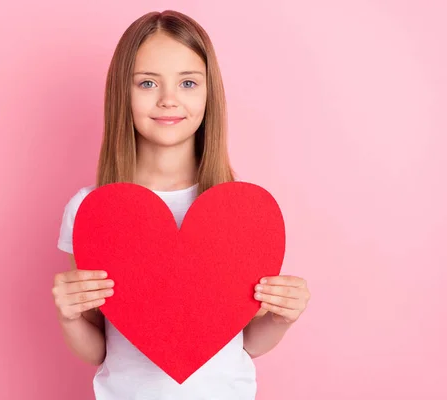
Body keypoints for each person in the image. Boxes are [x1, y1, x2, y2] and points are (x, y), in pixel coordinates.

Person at [51, 10, 311, 400]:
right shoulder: (91, 211)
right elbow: (100, 349)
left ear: (209, 93)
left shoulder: (241, 213)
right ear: (123, 92)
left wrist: (280, 317)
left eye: (188, 82)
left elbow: (247, 343)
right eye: (147, 83)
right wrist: (69, 316)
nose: (168, 99)